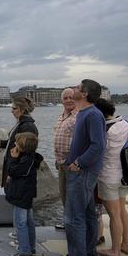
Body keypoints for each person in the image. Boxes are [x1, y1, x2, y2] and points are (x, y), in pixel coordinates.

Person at [54, 79, 106, 256]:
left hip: (82, 172)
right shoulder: (86, 113)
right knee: (89, 214)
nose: (74, 89)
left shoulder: (92, 114)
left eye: (77, 87)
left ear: (84, 94)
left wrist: (78, 162)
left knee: (73, 217)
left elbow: (98, 145)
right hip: (81, 170)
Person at [95, 98, 128, 256]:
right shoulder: (126, 123)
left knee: (113, 214)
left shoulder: (104, 129)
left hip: (108, 175)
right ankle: (125, 244)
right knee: (122, 210)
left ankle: (115, 250)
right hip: (125, 174)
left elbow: (99, 151)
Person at [5, 132, 43, 256]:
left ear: (23, 147)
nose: (14, 144)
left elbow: (14, 171)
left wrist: (13, 158)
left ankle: (25, 252)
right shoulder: (31, 157)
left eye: (17, 143)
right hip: (26, 194)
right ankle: (30, 247)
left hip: (21, 194)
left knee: (20, 223)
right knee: (29, 222)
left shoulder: (26, 160)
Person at [0, 96, 39, 188]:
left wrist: (13, 174)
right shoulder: (21, 124)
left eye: (14, 108)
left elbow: (26, 154)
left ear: (22, 109)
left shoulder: (28, 126)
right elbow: (15, 143)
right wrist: (1, 143)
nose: (12, 111)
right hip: (12, 167)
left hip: (17, 171)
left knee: (16, 198)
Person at [53, 88, 77, 230]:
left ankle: (73, 223)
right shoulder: (61, 116)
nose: (68, 100)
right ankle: (67, 221)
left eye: (71, 97)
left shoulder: (78, 116)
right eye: (65, 98)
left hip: (72, 164)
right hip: (61, 163)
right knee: (64, 195)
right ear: (62, 100)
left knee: (73, 197)